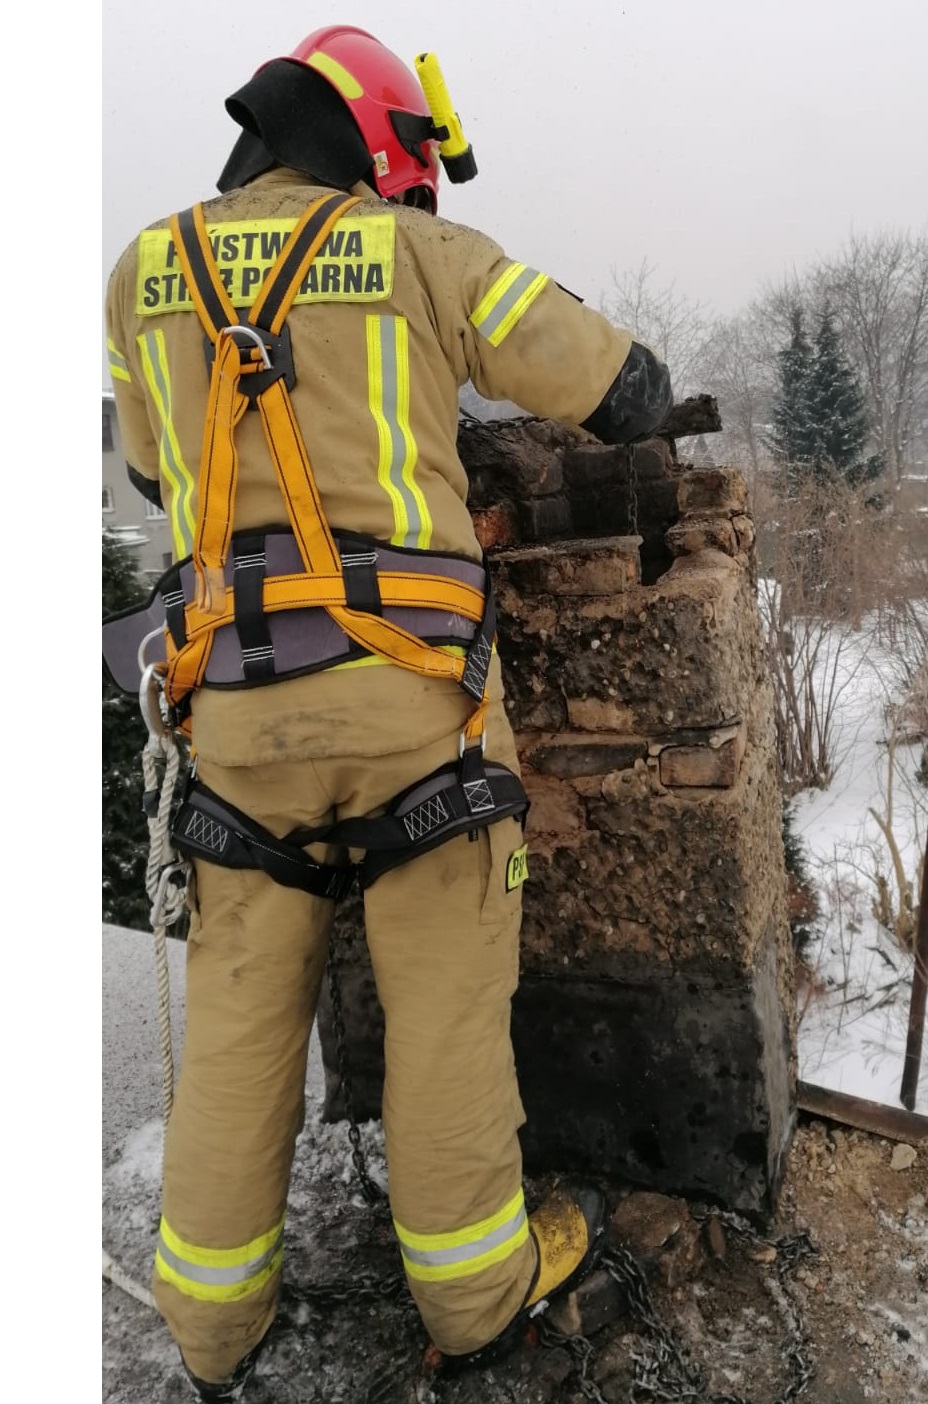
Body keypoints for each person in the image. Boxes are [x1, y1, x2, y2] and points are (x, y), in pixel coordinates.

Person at [103, 25, 672, 1402]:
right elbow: (606, 374)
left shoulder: (144, 268)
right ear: (371, 141)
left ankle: (211, 1327)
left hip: (234, 721)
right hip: (418, 717)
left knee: (239, 1021)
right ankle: (479, 1295)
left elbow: (142, 467)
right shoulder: (421, 254)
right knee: (446, 1017)